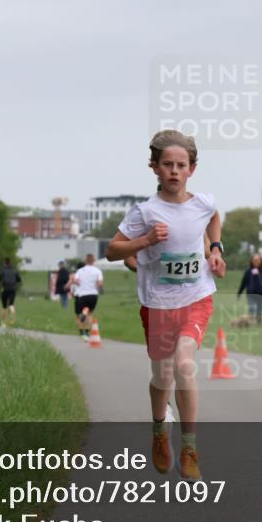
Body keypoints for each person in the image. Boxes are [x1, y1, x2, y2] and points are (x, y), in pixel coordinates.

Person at [107, 129, 226, 482]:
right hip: (158, 303)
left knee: (184, 366)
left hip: (196, 298)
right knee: (162, 375)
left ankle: (189, 447)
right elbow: (113, 250)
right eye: (167, 165)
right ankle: (160, 430)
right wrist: (144, 241)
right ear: (155, 168)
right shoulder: (144, 212)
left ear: (192, 169)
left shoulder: (202, 203)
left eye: (181, 165)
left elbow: (215, 217)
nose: (174, 171)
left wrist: (216, 251)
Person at [69, 253, 103, 341]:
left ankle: (83, 331)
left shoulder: (80, 271)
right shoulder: (97, 271)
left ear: (85, 261)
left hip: (82, 295)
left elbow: (74, 280)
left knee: (82, 311)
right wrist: (96, 286)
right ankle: (87, 332)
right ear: (94, 261)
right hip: (93, 294)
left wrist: (79, 284)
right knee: (90, 313)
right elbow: (100, 284)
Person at [237, 253, 262, 325]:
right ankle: (249, 322)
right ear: (251, 261)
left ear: (260, 261)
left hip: (261, 294)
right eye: (254, 260)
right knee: (252, 308)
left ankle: (258, 323)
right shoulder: (248, 271)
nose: (256, 261)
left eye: (258, 260)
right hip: (251, 294)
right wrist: (239, 293)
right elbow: (243, 283)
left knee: (259, 310)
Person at [0, 257, 23, 327]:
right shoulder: (14, 270)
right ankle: (12, 317)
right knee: (11, 304)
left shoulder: (3, 270)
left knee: (4, 306)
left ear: (5, 263)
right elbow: (19, 280)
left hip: (5, 289)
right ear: (10, 263)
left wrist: (0, 282)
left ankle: (3, 322)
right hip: (12, 289)